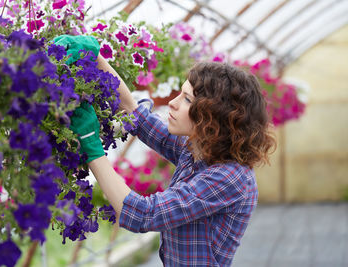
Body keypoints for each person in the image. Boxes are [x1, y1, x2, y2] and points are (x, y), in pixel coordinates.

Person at [55, 35, 276, 266]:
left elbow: (142, 214)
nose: (172, 102)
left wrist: (92, 147)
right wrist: (96, 57)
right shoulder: (200, 151)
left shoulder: (228, 178)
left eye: (187, 99)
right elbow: (136, 115)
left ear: (214, 118)